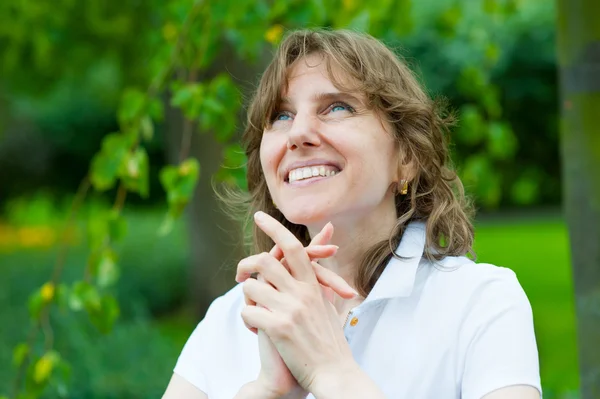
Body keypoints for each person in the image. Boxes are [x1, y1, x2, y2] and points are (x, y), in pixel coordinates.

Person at [162, 29, 542, 399]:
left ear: (406, 158)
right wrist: (269, 393)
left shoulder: (480, 303)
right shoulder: (229, 319)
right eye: (280, 115)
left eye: (337, 107)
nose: (298, 133)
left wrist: (331, 373)